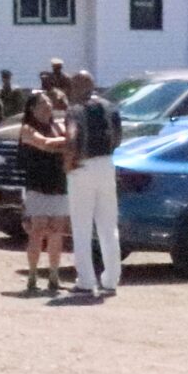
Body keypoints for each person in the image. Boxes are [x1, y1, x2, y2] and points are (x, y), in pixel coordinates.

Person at [64, 69, 124, 298]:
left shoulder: (76, 110)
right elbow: (118, 137)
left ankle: (86, 280)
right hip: (107, 164)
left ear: (78, 87)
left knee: (81, 227)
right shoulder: (110, 107)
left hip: (83, 166)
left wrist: (69, 163)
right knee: (108, 226)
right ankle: (111, 279)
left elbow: (71, 137)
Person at [15, 89, 70, 297]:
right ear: (32, 108)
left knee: (57, 230)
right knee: (37, 230)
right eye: (43, 104)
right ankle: (32, 276)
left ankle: (54, 277)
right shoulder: (27, 129)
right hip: (37, 184)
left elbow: (70, 137)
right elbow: (44, 144)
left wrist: (66, 139)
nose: (48, 107)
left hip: (58, 184)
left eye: (49, 103)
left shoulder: (58, 126)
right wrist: (67, 142)